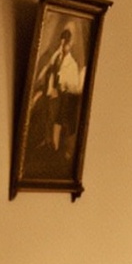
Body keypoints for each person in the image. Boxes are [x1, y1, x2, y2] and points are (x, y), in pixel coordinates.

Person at [24, 19, 86, 179]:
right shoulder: (56, 56)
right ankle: (46, 142)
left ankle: (54, 148)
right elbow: (47, 70)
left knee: (55, 120)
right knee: (46, 117)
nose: (63, 47)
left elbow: (72, 84)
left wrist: (60, 88)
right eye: (61, 43)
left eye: (65, 44)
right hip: (50, 93)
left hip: (61, 97)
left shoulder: (71, 64)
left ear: (69, 45)